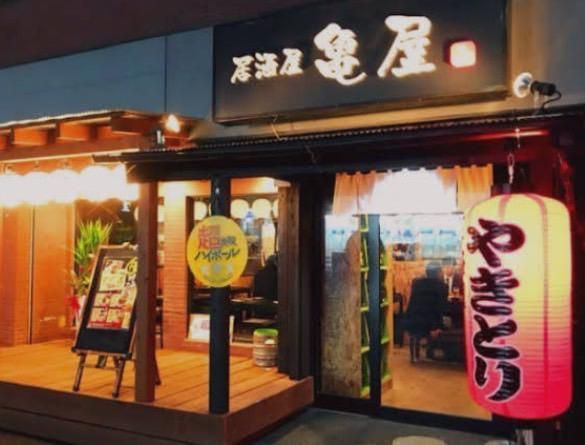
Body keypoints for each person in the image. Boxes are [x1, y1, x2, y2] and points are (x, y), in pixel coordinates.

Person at [404, 261, 448, 363]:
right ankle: (437, 351)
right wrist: (437, 325)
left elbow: (413, 302)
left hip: (414, 320)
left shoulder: (417, 283)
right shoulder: (442, 286)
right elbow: (441, 307)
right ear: (438, 273)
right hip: (431, 323)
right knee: (451, 321)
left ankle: (416, 355)